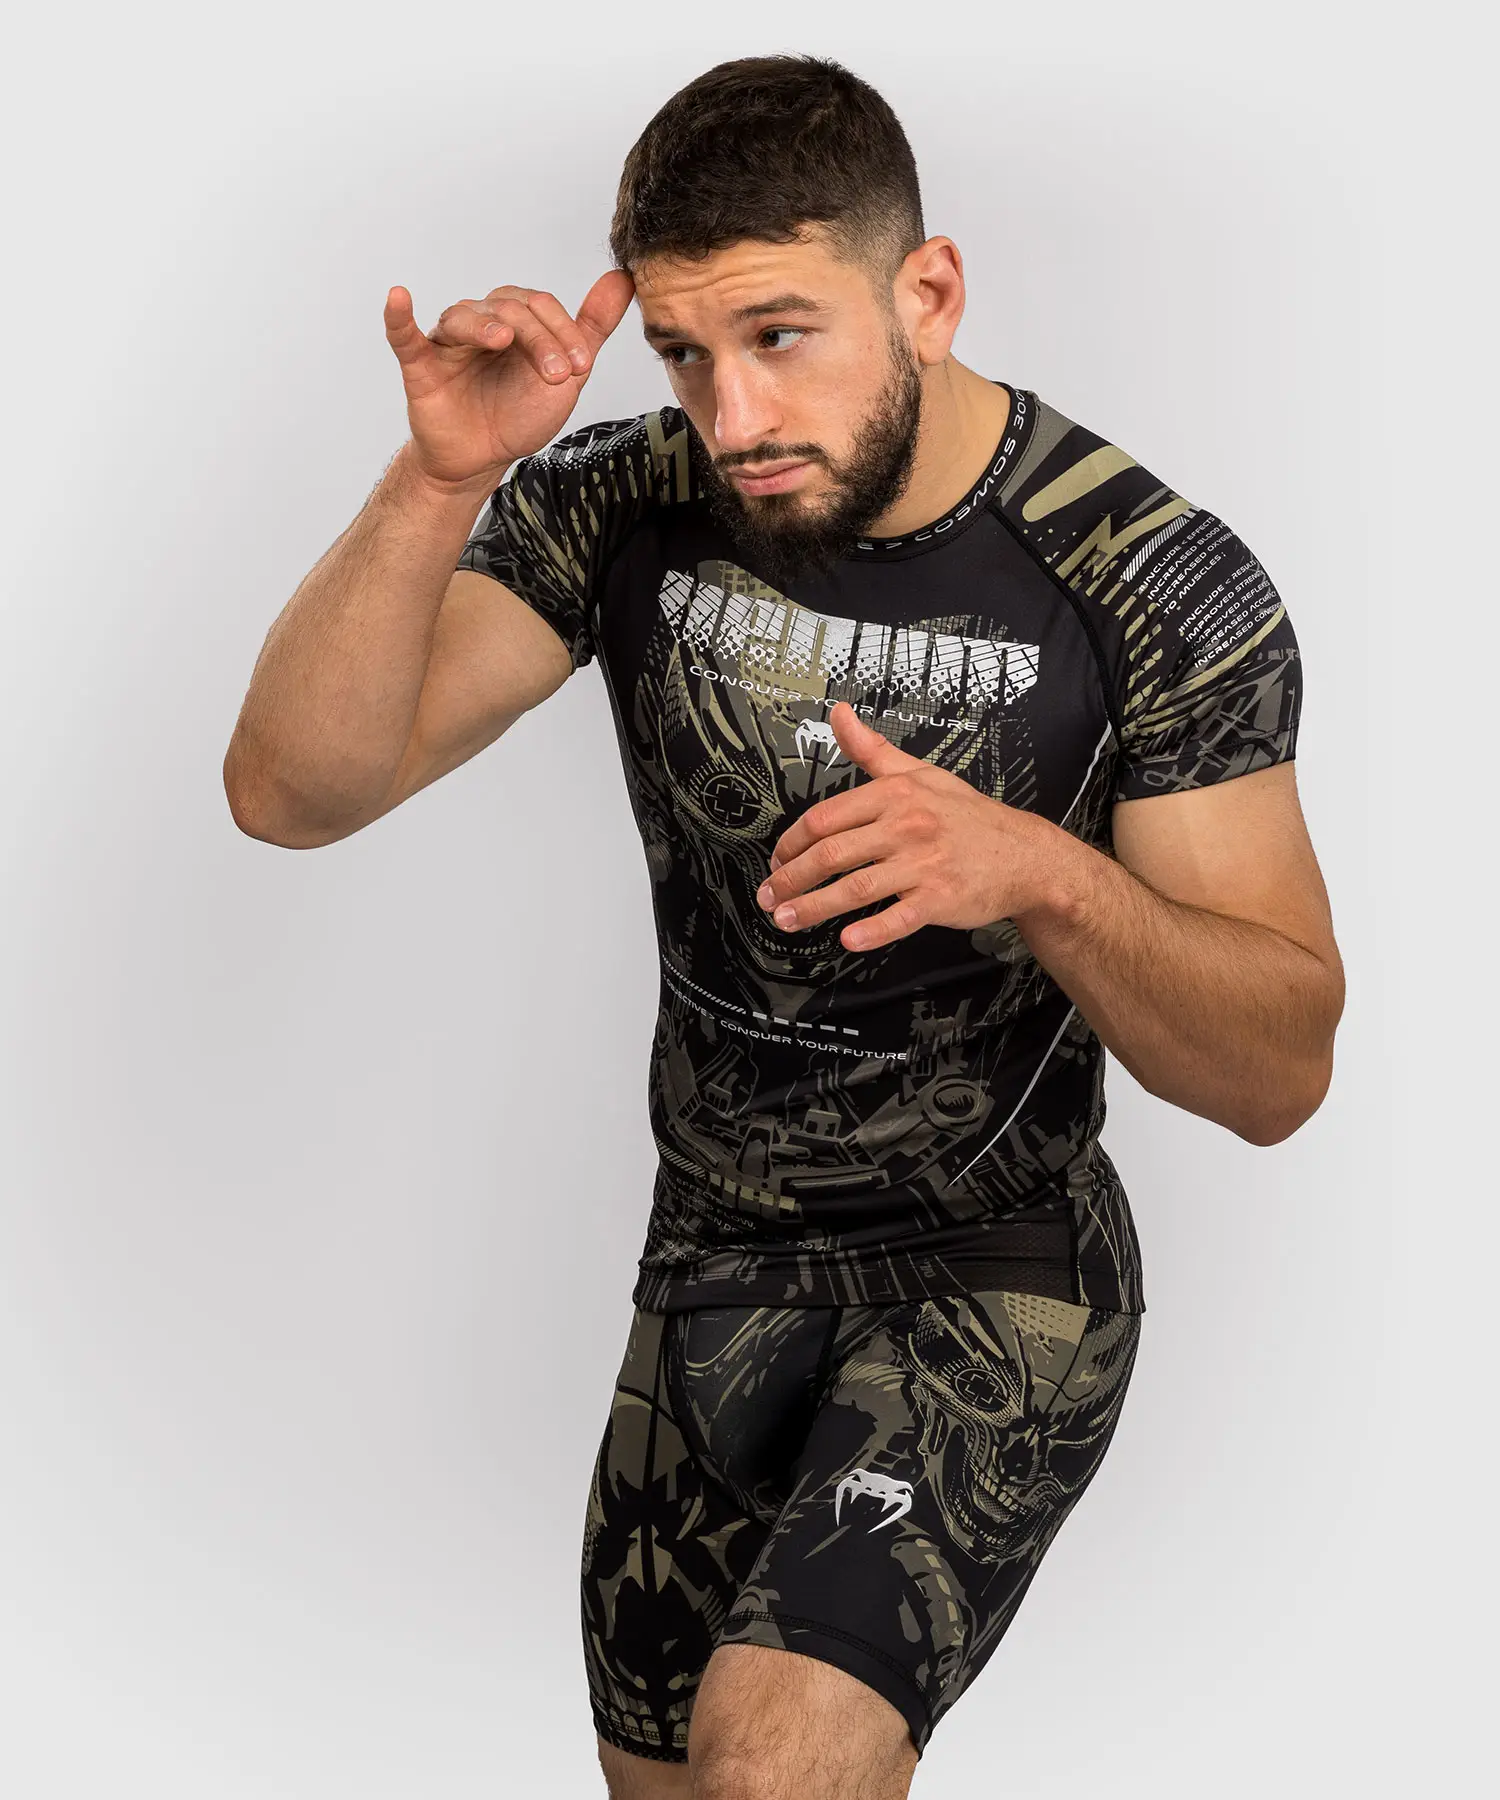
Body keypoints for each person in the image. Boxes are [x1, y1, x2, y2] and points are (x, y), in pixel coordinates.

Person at [223, 52, 1345, 1800]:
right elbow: (292, 791)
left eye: (779, 336)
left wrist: (1043, 873)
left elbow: (1279, 1071)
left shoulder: (1149, 578)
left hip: (997, 1261)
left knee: (770, 1763)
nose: (732, 414)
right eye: (683, 352)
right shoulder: (622, 501)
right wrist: (439, 485)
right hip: (715, 1252)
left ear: (928, 292)